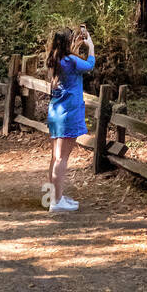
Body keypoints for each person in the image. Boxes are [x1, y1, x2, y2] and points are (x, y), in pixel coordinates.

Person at [45, 24, 95, 213]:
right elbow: (89, 65)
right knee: (61, 158)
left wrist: (75, 47)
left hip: (56, 113)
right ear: (68, 42)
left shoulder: (56, 59)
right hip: (69, 113)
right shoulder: (71, 61)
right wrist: (90, 46)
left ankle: (55, 196)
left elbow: (71, 59)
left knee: (55, 157)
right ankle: (56, 202)